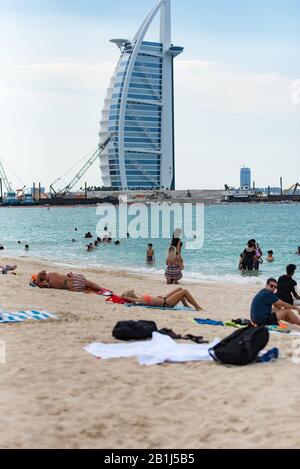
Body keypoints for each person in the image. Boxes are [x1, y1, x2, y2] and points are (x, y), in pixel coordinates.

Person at [121, 287, 203, 311]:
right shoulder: (140, 300)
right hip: (166, 303)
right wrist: (125, 297)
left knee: (180, 289)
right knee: (184, 291)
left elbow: (134, 300)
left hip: (163, 298)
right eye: (128, 291)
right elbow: (134, 301)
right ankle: (197, 307)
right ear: (129, 296)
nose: (130, 290)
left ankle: (186, 305)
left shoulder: (139, 298)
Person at [33, 271, 103, 293]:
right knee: (87, 282)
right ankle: (101, 289)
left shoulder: (48, 283)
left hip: (74, 284)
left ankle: (99, 289)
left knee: (87, 284)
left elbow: (37, 283)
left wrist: (38, 277)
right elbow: (37, 283)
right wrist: (39, 276)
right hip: (75, 280)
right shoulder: (52, 275)